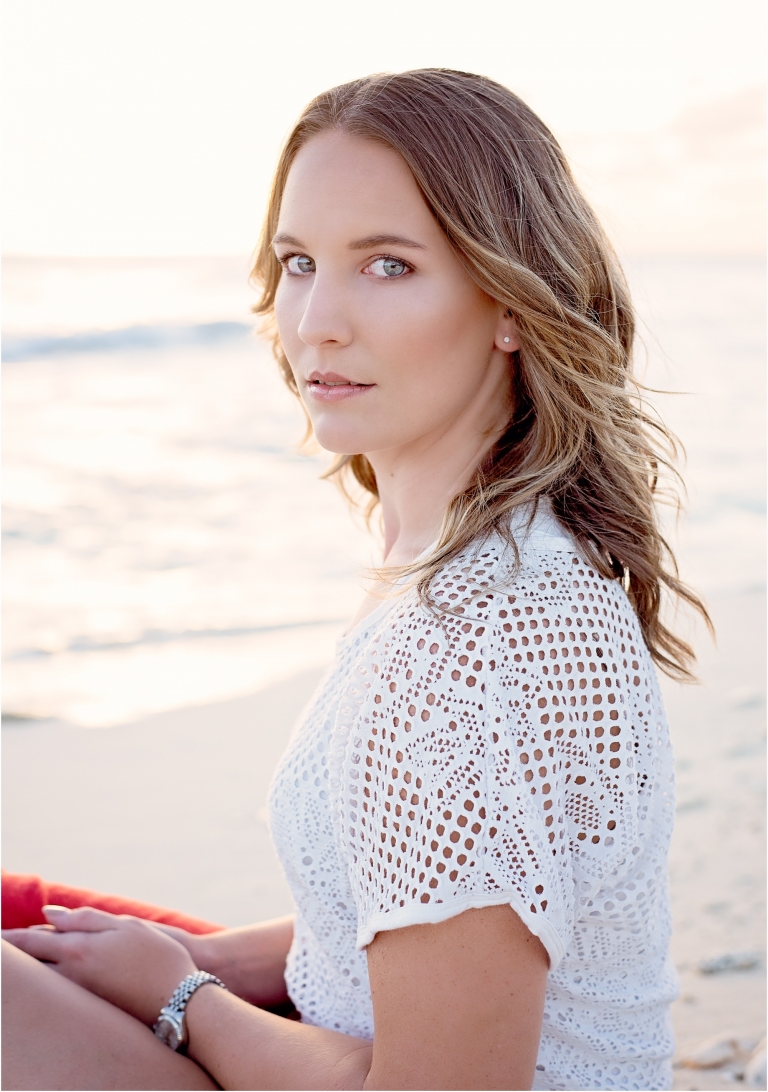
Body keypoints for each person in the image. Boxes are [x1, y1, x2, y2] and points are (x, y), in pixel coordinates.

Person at [2, 68, 707, 1092]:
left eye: (386, 264)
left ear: (509, 299)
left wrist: (181, 998)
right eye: (298, 262)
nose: (317, 320)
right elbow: (472, 896)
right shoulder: (509, 557)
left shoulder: (469, 646)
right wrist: (221, 960)